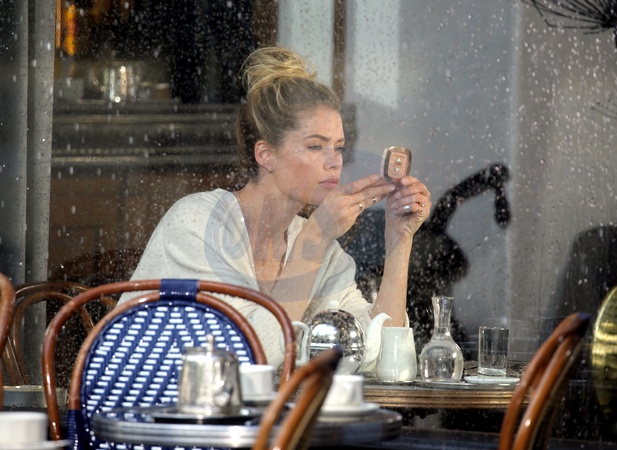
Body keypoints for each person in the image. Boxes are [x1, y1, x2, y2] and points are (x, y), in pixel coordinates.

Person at [121, 46, 432, 368]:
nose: (334, 162)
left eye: (339, 147)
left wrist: (399, 239)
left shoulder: (322, 250)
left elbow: (379, 358)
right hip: (143, 398)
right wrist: (315, 237)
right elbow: (247, 358)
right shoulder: (197, 223)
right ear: (266, 155)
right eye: (315, 146)